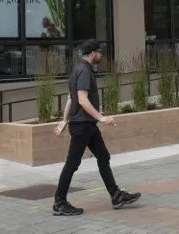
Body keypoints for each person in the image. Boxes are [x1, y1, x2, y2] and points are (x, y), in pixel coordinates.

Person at [52, 40, 141, 216]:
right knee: (72, 164)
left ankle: (116, 196)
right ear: (93, 53)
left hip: (86, 125)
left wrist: (64, 120)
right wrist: (101, 117)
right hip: (83, 125)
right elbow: (82, 99)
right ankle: (59, 202)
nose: (101, 55)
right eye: (100, 52)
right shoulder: (85, 71)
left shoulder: (78, 69)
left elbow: (71, 98)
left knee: (103, 156)